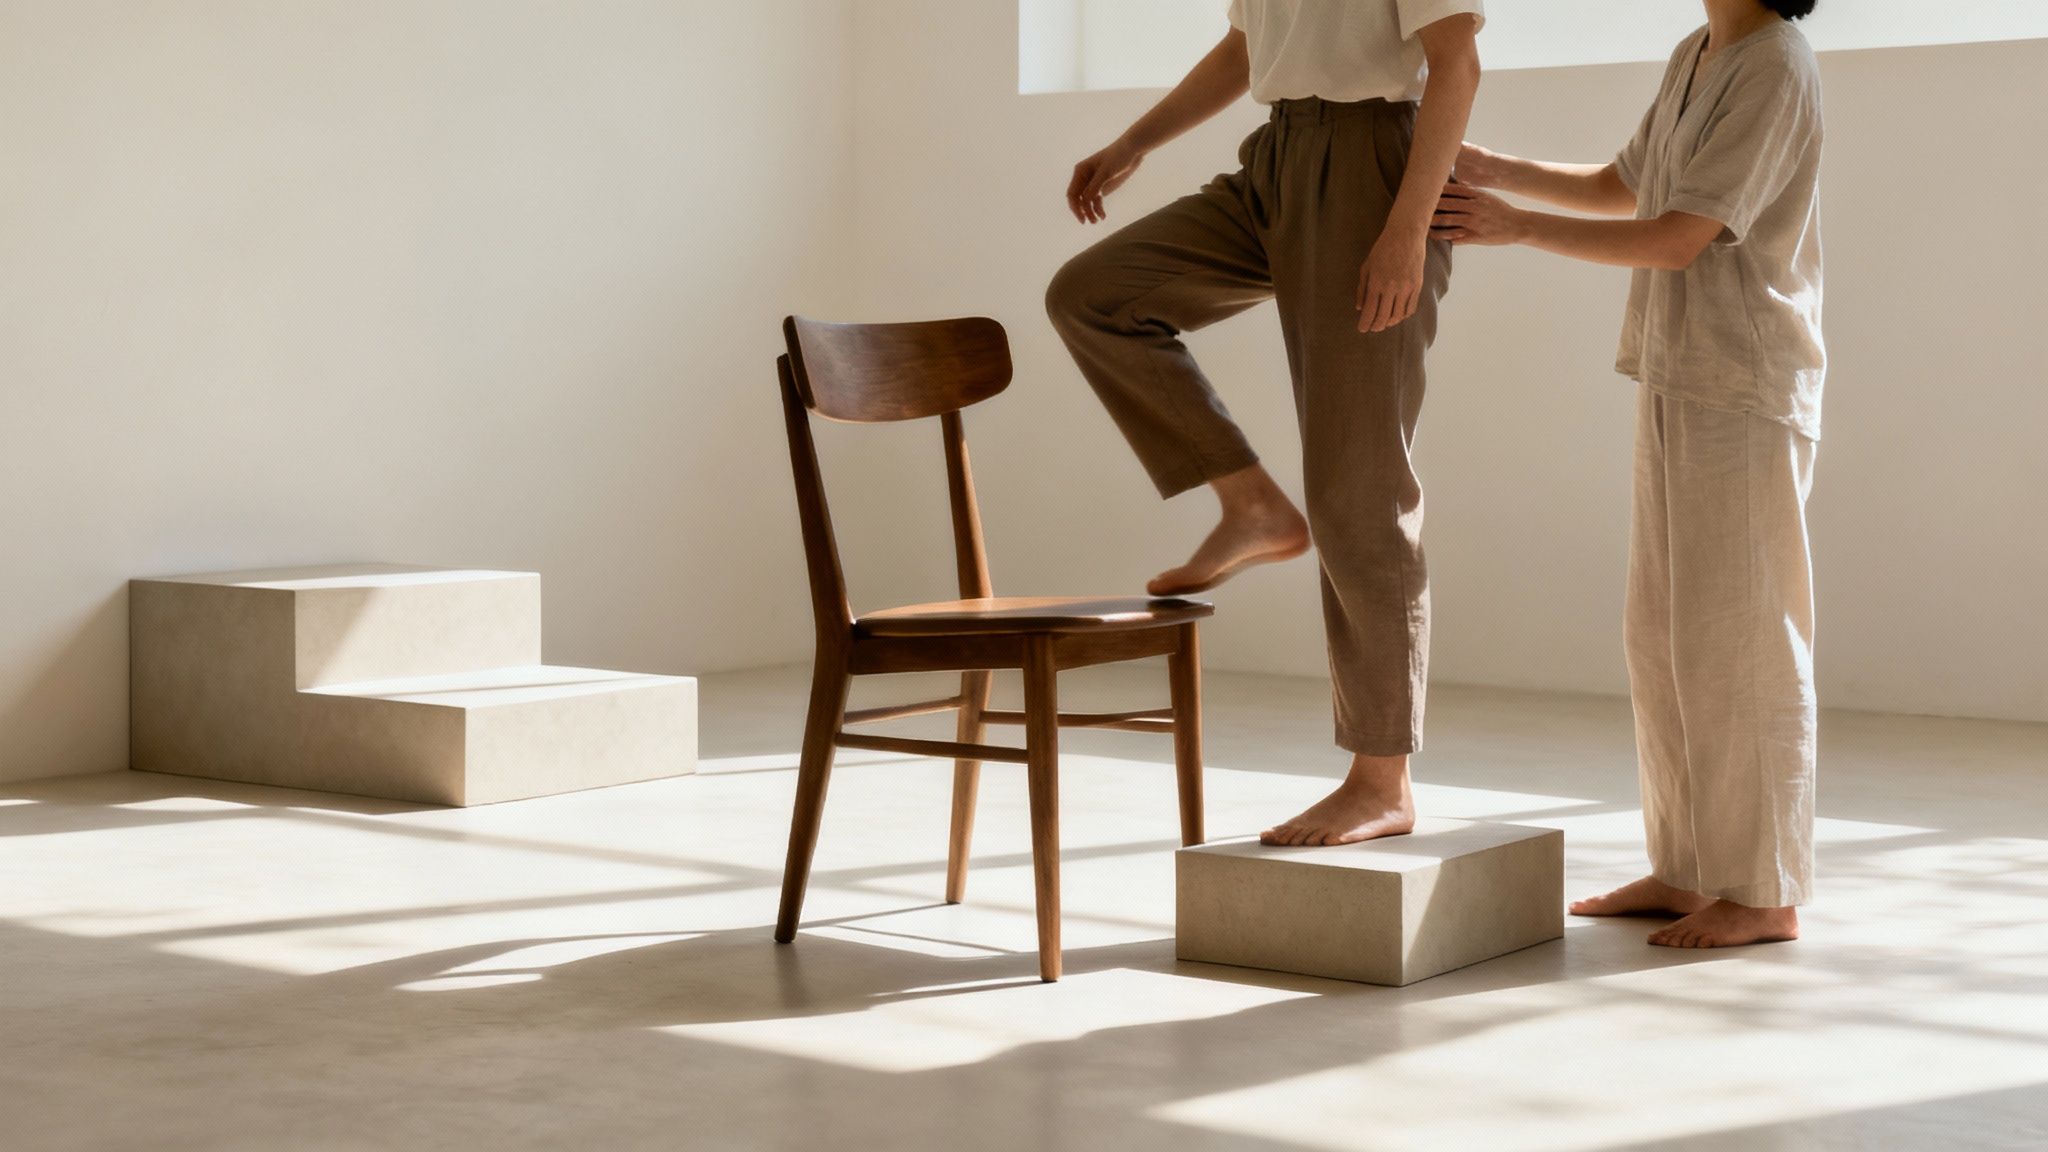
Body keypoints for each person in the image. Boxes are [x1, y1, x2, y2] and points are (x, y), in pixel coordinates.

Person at [1045, 2, 1484, 847]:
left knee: (1358, 487)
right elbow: (1250, 46)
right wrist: (1136, 140)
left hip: (1377, 166)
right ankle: (1251, 505)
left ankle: (1381, 780)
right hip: (1279, 158)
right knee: (1093, 297)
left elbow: (1456, 64)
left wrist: (1407, 226)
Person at [1434, 0, 1825, 948]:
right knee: (1664, 633)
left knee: (1742, 640)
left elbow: (1679, 235)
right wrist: (1494, 169)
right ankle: (1691, 868)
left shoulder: (1775, 62)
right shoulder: (1700, 52)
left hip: (1744, 378)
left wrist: (1516, 225)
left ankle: (1766, 890)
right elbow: (1626, 185)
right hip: (1676, 366)